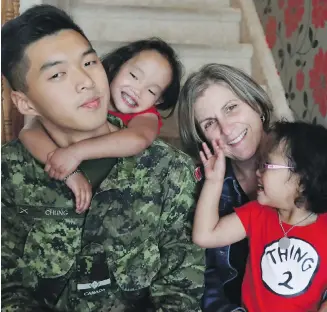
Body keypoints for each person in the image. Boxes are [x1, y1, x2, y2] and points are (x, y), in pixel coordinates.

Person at [1, 5, 205, 311]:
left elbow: (181, 292)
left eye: (89, 61)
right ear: (25, 103)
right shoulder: (9, 173)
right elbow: (7, 290)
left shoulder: (170, 171)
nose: (85, 80)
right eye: (58, 74)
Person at [19, 37, 182, 213]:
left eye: (151, 91)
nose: (137, 90)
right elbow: (29, 132)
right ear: (117, 67)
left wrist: (76, 153)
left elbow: (138, 138)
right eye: (134, 76)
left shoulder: (146, 116)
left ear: (158, 100)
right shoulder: (86, 92)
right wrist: (68, 173)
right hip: (66, 179)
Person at [193, 121, 327, 312]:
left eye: (266, 165)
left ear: (302, 180)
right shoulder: (256, 213)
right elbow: (204, 235)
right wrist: (214, 180)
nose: (257, 172)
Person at [178, 63, 274, 311]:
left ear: (257, 104)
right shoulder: (203, 190)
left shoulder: (310, 161)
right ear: (202, 139)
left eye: (231, 108)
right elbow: (203, 275)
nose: (227, 129)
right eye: (210, 123)